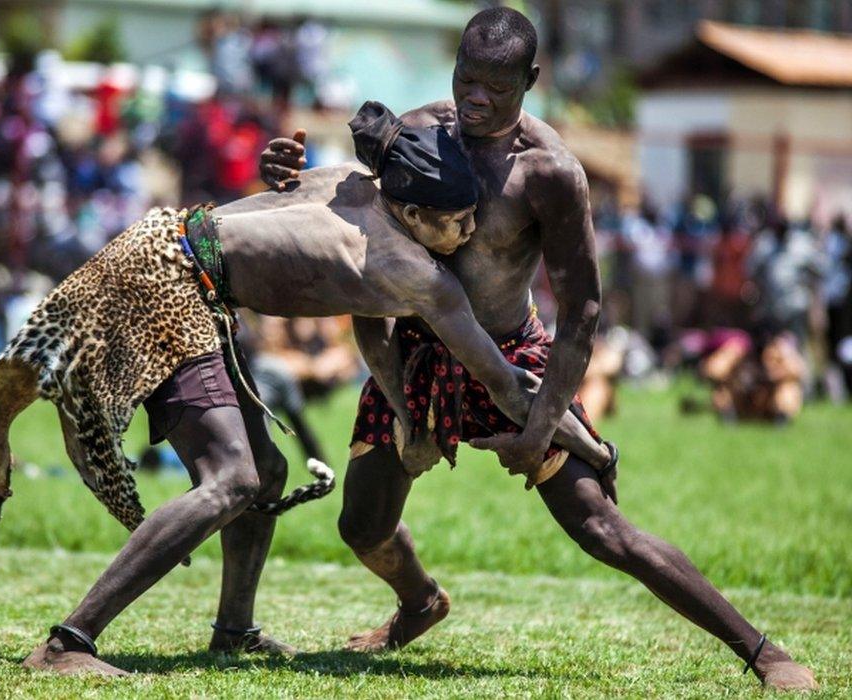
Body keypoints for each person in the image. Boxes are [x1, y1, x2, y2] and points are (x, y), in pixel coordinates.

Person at [260, 7, 816, 690]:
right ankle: (419, 602)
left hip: (508, 360)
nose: (475, 99)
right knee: (363, 525)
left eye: (496, 87)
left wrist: (544, 422)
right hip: (416, 350)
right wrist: (289, 175)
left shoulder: (550, 172)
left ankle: (764, 653)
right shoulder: (422, 131)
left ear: (531, 80)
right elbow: (348, 212)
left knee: (600, 528)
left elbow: (582, 308)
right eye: (467, 77)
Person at [0, 101, 612, 676]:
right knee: (232, 479)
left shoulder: (351, 186)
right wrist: (591, 444)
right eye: (459, 221)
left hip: (161, 254)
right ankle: (68, 642)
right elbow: (502, 381)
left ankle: (234, 630)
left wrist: (400, 407)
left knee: (264, 472)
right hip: (167, 282)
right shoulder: (419, 272)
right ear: (414, 213)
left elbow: (369, 321)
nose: (468, 235)